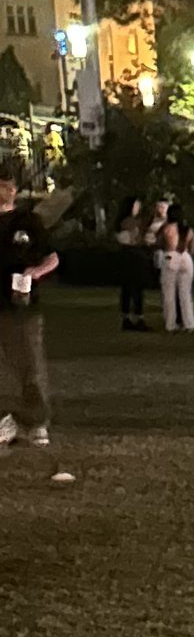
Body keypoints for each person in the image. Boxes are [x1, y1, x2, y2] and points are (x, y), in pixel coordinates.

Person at [0, 160, 58, 451]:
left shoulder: (27, 222)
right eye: (2, 184)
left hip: (21, 306)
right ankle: (7, 421)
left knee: (30, 364)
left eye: (10, 185)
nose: (7, 190)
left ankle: (36, 422)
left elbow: (52, 257)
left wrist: (34, 273)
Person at [154, 199, 194, 334]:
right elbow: (192, 248)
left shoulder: (166, 227)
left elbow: (158, 241)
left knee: (169, 294)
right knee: (185, 294)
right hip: (185, 258)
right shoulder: (188, 230)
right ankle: (189, 323)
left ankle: (171, 324)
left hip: (170, 257)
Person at [114, 197, 150, 330]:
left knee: (129, 289)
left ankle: (129, 317)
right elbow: (129, 239)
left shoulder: (132, 222)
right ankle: (135, 317)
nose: (138, 208)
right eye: (136, 206)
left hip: (130, 256)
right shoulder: (130, 223)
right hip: (132, 256)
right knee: (133, 288)